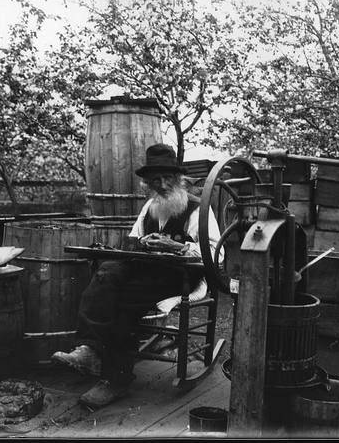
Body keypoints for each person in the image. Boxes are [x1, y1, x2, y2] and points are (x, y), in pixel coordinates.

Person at [51, 143, 223, 408]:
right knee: (105, 271)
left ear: (179, 180)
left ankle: (115, 381)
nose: (163, 184)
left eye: (168, 178)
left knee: (123, 301)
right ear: (149, 183)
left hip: (179, 275)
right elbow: (132, 242)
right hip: (145, 269)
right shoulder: (150, 208)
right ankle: (88, 349)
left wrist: (176, 246)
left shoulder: (197, 208)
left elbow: (216, 254)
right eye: (156, 179)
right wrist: (144, 241)